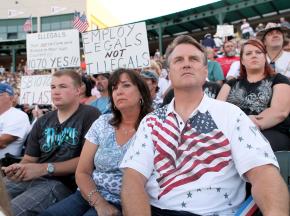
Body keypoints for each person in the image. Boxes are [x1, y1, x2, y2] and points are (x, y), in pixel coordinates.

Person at [120, 35, 289, 216]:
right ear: (168, 73)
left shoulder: (231, 114)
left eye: (193, 59)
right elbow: (133, 180)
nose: (186, 64)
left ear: (205, 70)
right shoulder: (151, 121)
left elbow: (263, 173)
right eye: (178, 60)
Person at [39, 68, 152, 216]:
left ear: (141, 92)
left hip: (128, 201)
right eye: (114, 87)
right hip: (89, 194)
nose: (118, 91)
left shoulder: (153, 125)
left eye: (126, 85)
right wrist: (99, 203)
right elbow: (82, 172)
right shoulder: (103, 122)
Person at [1, 70, 101, 216]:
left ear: (78, 90)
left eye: (62, 86)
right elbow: (30, 159)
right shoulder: (42, 121)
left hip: (64, 184)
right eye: (53, 87)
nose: (56, 92)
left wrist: (44, 168)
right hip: (33, 177)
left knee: (10, 211)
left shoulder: (91, 114)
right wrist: (19, 168)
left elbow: (87, 161)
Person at [217, 39, 290, 151]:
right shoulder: (230, 84)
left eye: (258, 52)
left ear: (265, 57)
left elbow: (279, 111)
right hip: (232, 133)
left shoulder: (279, 79)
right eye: (248, 53)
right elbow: (217, 111)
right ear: (242, 60)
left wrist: (249, 124)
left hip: (270, 131)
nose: (254, 55)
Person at [0, 83, 30, 159]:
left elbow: (2, 142)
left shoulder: (18, 116)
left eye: (0, 94)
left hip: (4, 166)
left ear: (11, 98)